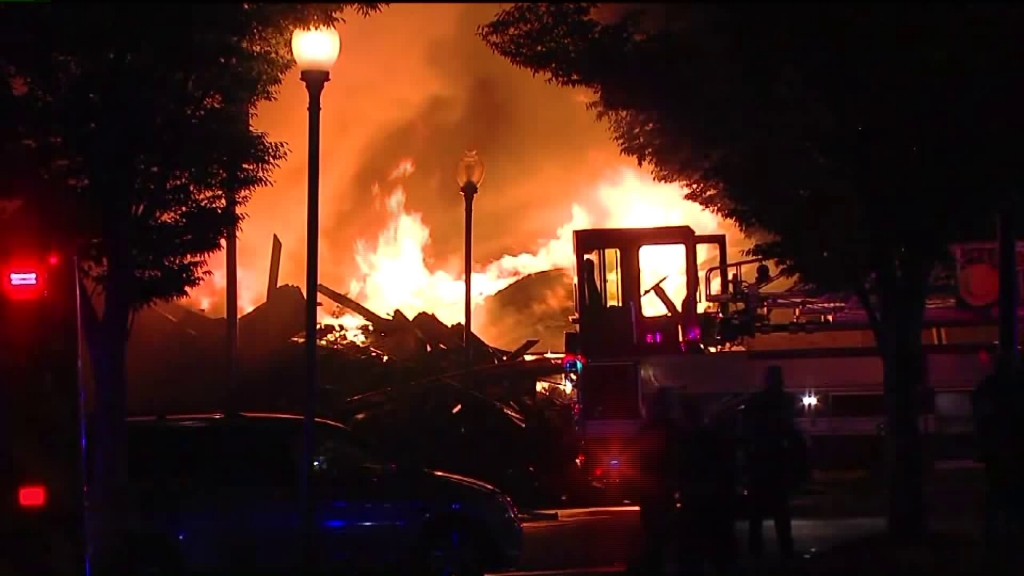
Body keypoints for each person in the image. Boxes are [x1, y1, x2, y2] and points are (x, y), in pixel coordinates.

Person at [743, 365, 800, 562]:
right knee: (780, 512)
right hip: (777, 463)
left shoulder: (755, 402)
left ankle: (756, 551)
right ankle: (785, 550)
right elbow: (791, 431)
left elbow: (747, 432)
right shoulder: (786, 402)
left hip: (760, 463)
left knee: (757, 514)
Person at [633, 388, 678, 575]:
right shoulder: (673, 429)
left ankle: (653, 563)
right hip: (662, 487)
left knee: (652, 531)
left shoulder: (646, 430)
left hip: (651, 488)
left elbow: (636, 457)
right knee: (663, 531)